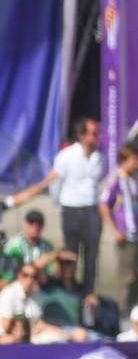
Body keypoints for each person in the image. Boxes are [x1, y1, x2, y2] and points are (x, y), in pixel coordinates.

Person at [7, 118, 105, 292]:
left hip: (91, 208)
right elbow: (55, 183)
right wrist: (59, 205)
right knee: (70, 255)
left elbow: (98, 184)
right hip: (71, 208)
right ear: (82, 136)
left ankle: (89, 293)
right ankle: (70, 290)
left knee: (92, 256)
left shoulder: (100, 157)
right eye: (94, 133)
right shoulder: (66, 156)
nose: (98, 136)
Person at [98, 145, 138, 311]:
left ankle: (132, 309)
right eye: (134, 160)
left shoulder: (136, 181)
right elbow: (104, 206)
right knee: (126, 277)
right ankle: (122, 310)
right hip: (124, 237)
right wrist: (115, 231)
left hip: (137, 236)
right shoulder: (115, 180)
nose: (137, 164)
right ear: (124, 161)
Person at [1, 211, 57, 284]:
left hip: (42, 285)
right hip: (17, 285)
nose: (35, 225)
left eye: (39, 223)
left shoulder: (47, 246)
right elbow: (9, 274)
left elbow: (52, 270)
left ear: (43, 225)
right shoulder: (15, 245)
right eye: (31, 222)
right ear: (24, 223)